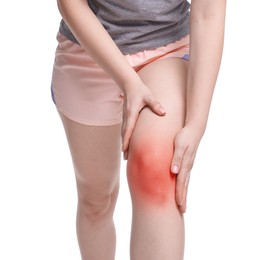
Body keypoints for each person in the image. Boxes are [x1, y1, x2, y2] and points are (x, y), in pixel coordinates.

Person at [51, 0, 226, 259]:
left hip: (165, 50)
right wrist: (128, 82)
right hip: (88, 49)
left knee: (154, 169)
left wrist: (196, 123)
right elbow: (71, 4)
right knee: (96, 200)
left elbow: (209, 12)